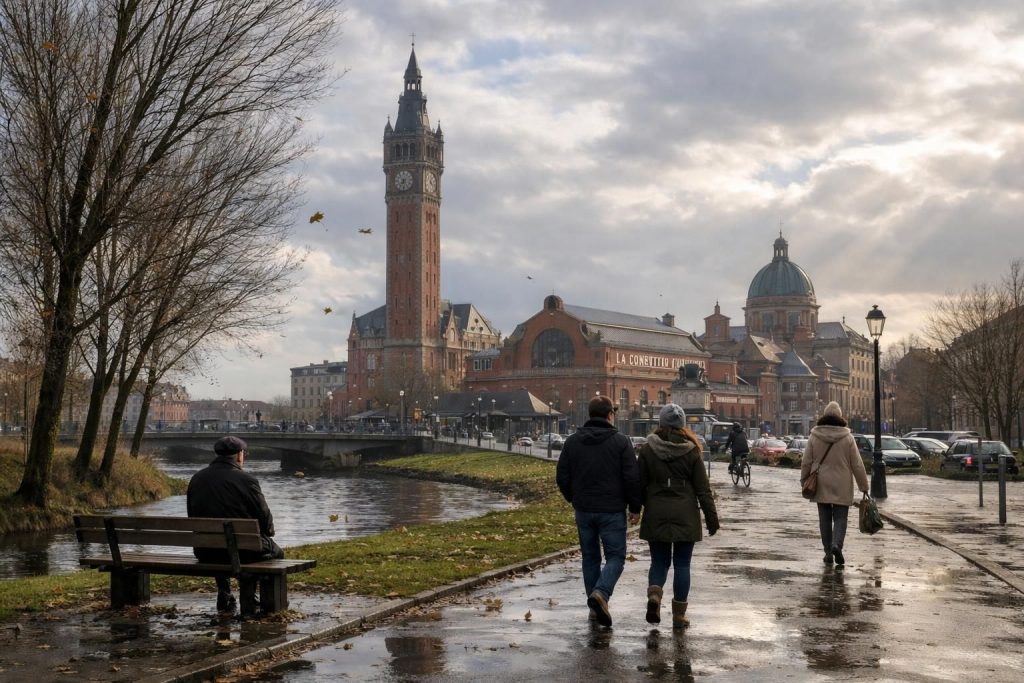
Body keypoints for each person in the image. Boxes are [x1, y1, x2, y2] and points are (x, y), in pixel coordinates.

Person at [556, 395, 642, 628]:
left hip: (584, 509)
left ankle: (595, 608)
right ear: (610, 415)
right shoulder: (621, 442)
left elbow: (562, 476)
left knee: (590, 557)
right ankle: (601, 594)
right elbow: (631, 478)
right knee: (616, 557)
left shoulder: (572, 442)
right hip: (612, 510)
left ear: (590, 415)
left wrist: (573, 497)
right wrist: (635, 507)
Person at [636, 404, 719, 629]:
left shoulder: (648, 450)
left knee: (659, 561)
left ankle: (655, 594)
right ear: (683, 425)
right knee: (682, 564)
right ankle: (679, 616)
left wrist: (636, 508)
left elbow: (639, 484)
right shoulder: (691, 451)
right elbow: (703, 489)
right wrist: (712, 519)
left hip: (656, 512)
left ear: (660, 423)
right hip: (686, 514)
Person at [187, 436, 284, 613]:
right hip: (244, 551)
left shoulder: (196, 478)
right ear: (239, 455)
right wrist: (267, 531)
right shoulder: (247, 480)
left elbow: (192, 515)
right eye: (243, 453)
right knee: (276, 553)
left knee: (221, 543)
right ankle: (251, 597)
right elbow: (266, 522)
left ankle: (224, 594)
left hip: (205, 550)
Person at [800, 401, 869, 567]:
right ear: (840, 416)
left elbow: (806, 462)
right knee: (840, 517)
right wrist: (864, 486)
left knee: (824, 519)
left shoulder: (814, 436)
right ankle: (837, 545)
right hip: (842, 483)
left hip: (820, 482)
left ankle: (828, 553)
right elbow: (857, 464)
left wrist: (804, 480)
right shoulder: (848, 437)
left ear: (824, 415)